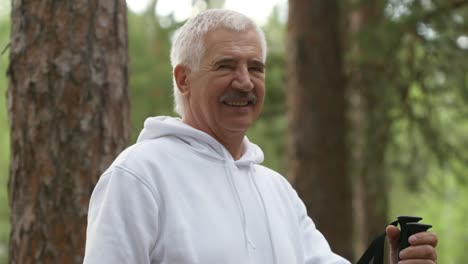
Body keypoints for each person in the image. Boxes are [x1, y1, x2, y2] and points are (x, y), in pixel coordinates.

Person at [83, 9, 438, 264]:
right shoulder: (139, 176)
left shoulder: (276, 190)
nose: (245, 81)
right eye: (226, 65)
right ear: (184, 79)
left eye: (255, 67)